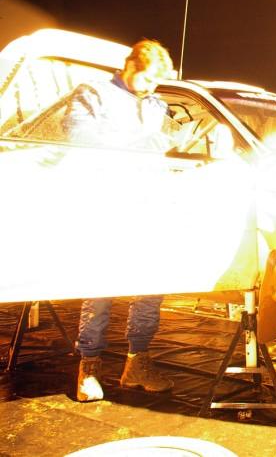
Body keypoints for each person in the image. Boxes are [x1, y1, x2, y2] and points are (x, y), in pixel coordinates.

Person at [75, 39, 176, 402]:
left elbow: (165, 145)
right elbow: (79, 137)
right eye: (147, 79)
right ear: (130, 65)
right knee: (101, 288)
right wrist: (140, 143)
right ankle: (88, 367)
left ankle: (138, 362)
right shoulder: (95, 94)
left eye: (156, 83)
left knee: (150, 288)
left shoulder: (156, 104)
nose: (151, 88)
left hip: (147, 205)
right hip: (106, 205)